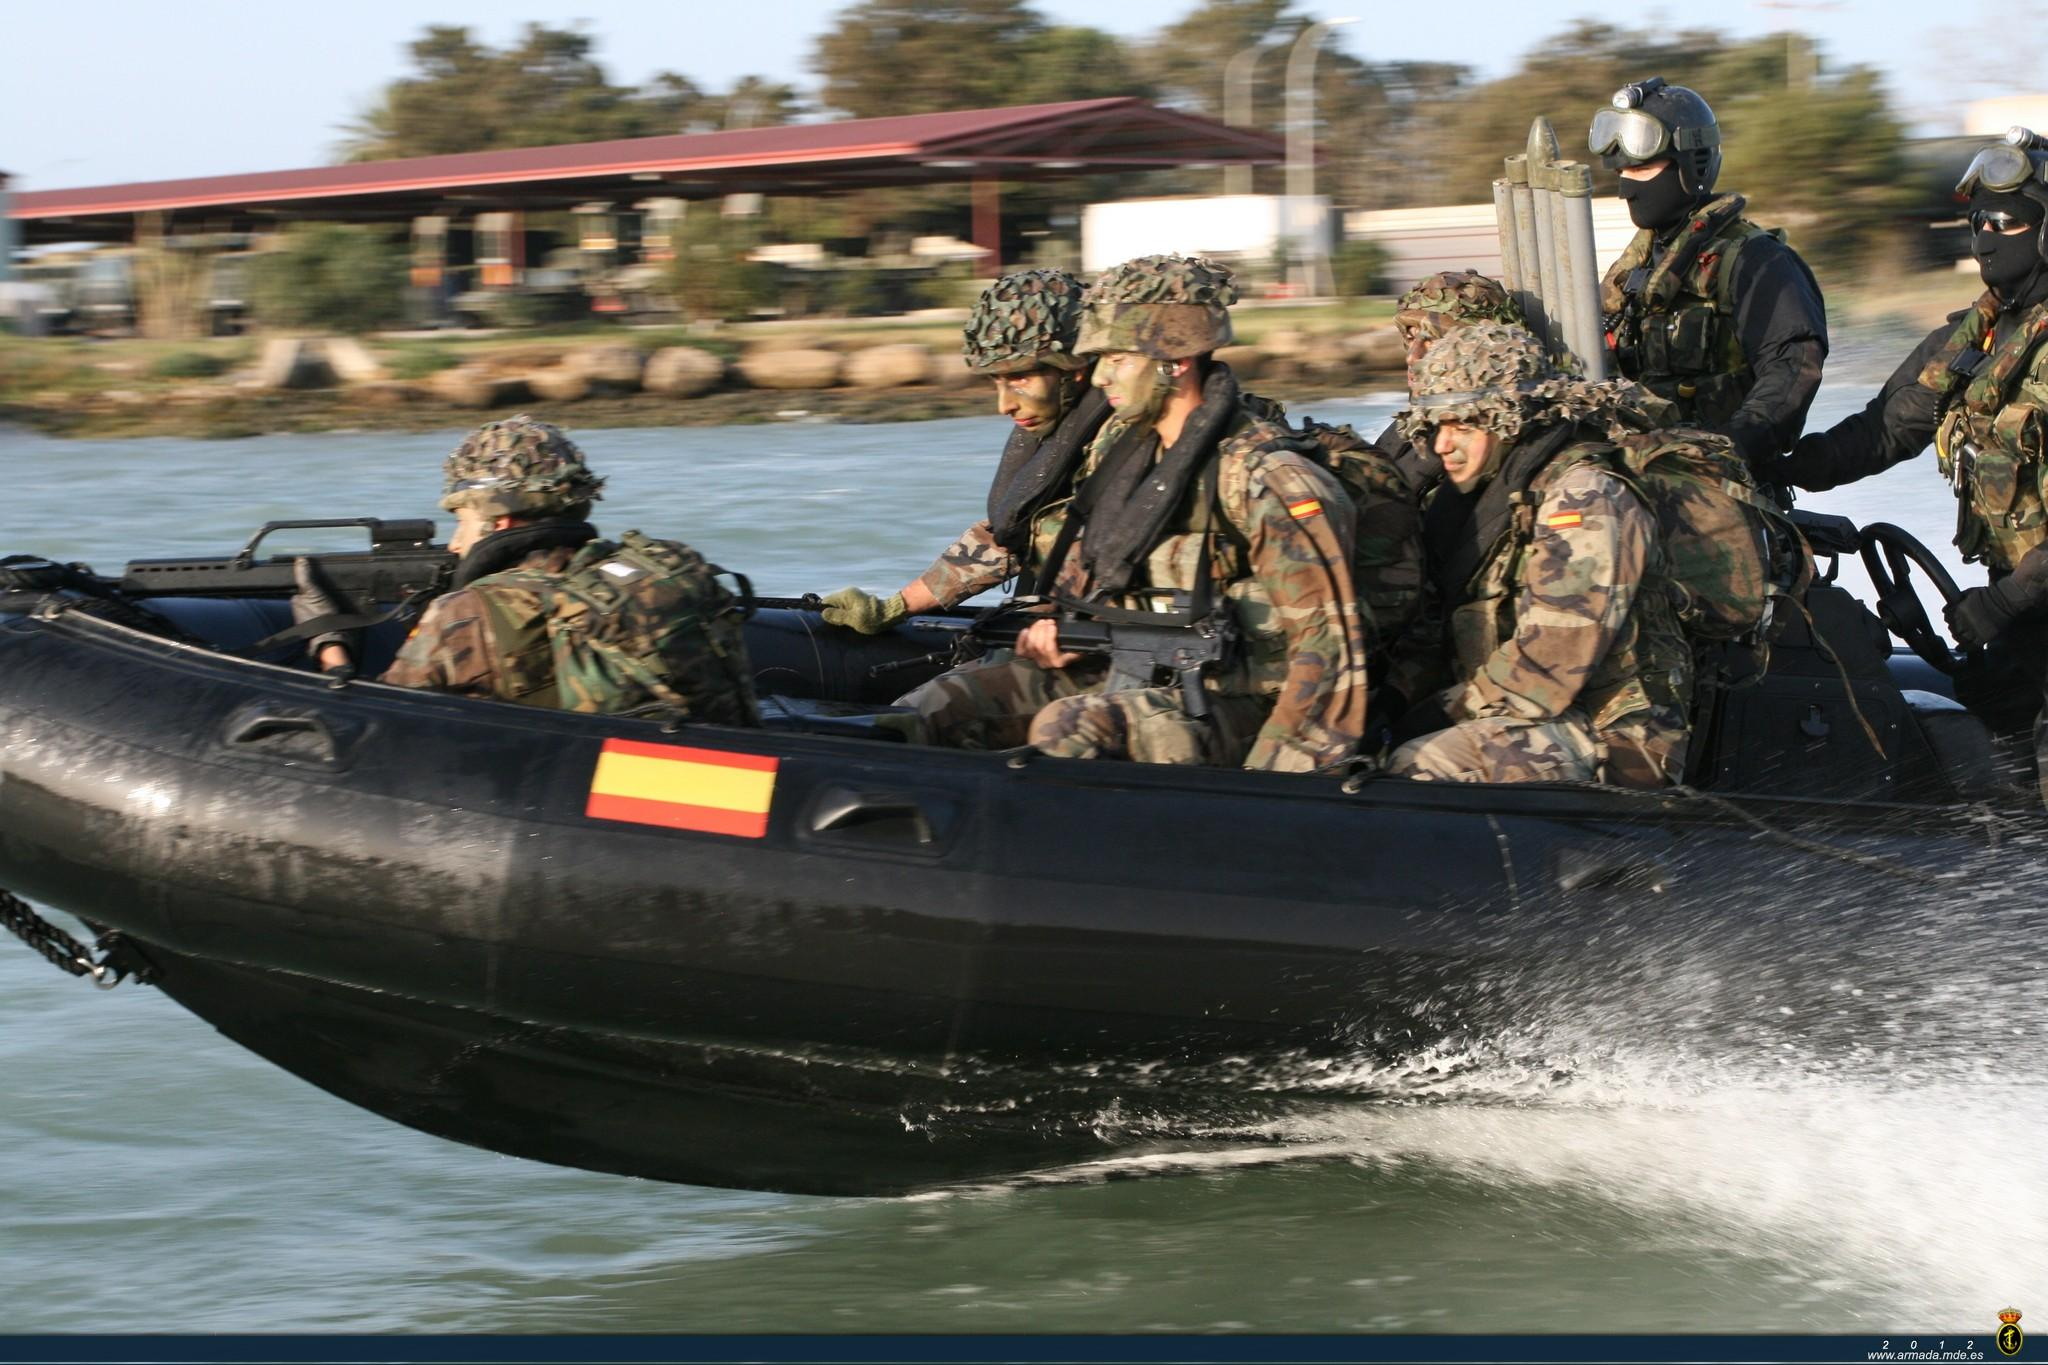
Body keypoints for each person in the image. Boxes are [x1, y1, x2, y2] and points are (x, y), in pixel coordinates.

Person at [912, 254, 1368, 771]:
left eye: (1117, 358)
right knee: (940, 706)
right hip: (1140, 670)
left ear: (1176, 361)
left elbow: (1328, 651)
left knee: (1070, 729)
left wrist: (1277, 786)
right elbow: (1092, 573)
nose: (1100, 374)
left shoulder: (1267, 481)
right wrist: (1068, 629)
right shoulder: (1121, 460)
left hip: (1246, 702)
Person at [1774, 127, 2048, 737]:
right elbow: (1888, 428)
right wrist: (1781, 468)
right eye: (1978, 222)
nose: (1986, 237)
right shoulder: (1972, 339)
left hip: (2025, 598)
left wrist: (2002, 604)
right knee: (1983, 709)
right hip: (2022, 609)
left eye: (2006, 222)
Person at [293, 415, 757, 724]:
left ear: (499, 522)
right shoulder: (657, 571)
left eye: (461, 521)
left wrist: (329, 644)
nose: (454, 543)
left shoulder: (467, 614)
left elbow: (372, 724)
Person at [1385, 322, 1693, 786]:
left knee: (1418, 766)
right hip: (1522, 709)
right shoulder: (1477, 502)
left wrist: (1435, 714)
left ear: (1510, 420)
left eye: (1463, 424)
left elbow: (1552, 663)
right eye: (1435, 425)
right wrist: (1390, 702)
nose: (1442, 445)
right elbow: (1435, 630)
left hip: (1618, 731)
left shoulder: (1585, 498)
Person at [1590, 76, 1828, 474]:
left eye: (1642, 168)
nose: (1626, 188)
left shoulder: (1756, 261)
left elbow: (1792, 368)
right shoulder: (1634, 270)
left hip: (1719, 481)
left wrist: (1728, 450)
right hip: (1635, 470)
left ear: (1690, 164)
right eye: (1623, 172)